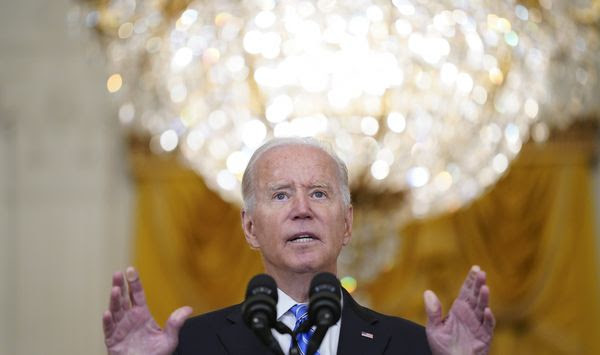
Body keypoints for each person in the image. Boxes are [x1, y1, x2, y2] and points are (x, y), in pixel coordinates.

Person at [103, 137, 495, 355]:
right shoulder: (191, 346)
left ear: (347, 223)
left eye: (320, 194)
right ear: (250, 227)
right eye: (280, 195)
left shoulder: (415, 348)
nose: (302, 209)